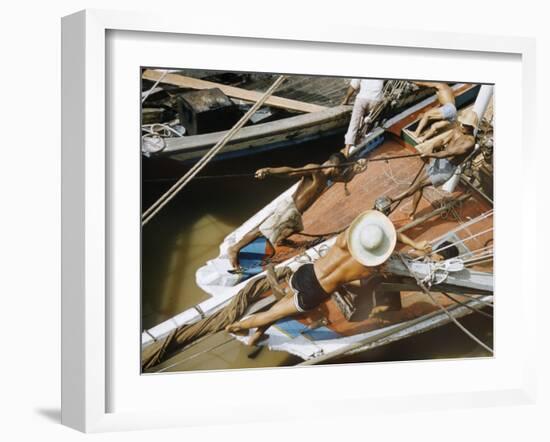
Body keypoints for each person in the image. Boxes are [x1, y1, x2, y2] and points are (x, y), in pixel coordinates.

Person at [226, 210, 431, 345]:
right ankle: (236, 327)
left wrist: (411, 245)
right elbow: (383, 262)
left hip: (305, 273)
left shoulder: (345, 239)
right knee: (273, 314)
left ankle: (255, 337)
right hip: (315, 292)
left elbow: (390, 233)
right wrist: (416, 248)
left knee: (280, 307)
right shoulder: (370, 267)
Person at [226, 152, 367, 270]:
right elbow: (290, 172)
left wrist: (356, 169)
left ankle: (280, 240)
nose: (340, 174)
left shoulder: (328, 176)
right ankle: (234, 248)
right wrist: (268, 170)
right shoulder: (316, 170)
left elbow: (344, 178)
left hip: (296, 213)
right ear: (335, 167)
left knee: (295, 227)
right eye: (340, 170)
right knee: (262, 230)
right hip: (290, 208)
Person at [389, 109, 479, 220]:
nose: (462, 125)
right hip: (439, 160)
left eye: (466, 125)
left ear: (472, 127)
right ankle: (412, 211)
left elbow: (449, 152)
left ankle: (393, 199)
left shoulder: (470, 142)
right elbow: (443, 141)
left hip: (446, 169)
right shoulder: (457, 130)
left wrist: (430, 154)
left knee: (418, 185)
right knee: (418, 185)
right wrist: (434, 146)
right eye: (462, 123)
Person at [342, 78, 385, 157]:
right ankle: (362, 138)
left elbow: (353, 86)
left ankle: (347, 150)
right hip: (376, 100)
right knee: (369, 121)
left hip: (362, 99)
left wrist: (346, 99)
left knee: (354, 123)